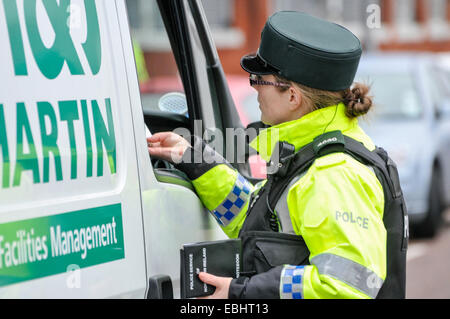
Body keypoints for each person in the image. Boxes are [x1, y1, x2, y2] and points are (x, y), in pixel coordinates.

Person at [148, 11, 407, 299]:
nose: (255, 89)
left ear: (293, 97)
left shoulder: (333, 174)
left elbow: (347, 286)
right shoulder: (313, 154)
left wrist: (244, 292)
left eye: (260, 79)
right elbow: (255, 222)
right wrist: (194, 160)